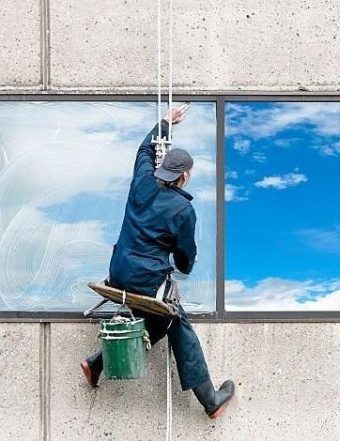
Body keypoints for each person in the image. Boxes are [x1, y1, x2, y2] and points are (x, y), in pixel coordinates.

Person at [80, 105, 234, 419]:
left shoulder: (142, 181)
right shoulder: (182, 210)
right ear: (185, 176)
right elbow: (186, 259)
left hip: (118, 272)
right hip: (143, 280)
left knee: (158, 318)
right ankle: (210, 399)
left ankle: (96, 363)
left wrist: (164, 122)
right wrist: (184, 264)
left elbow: (144, 149)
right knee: (176, 318)